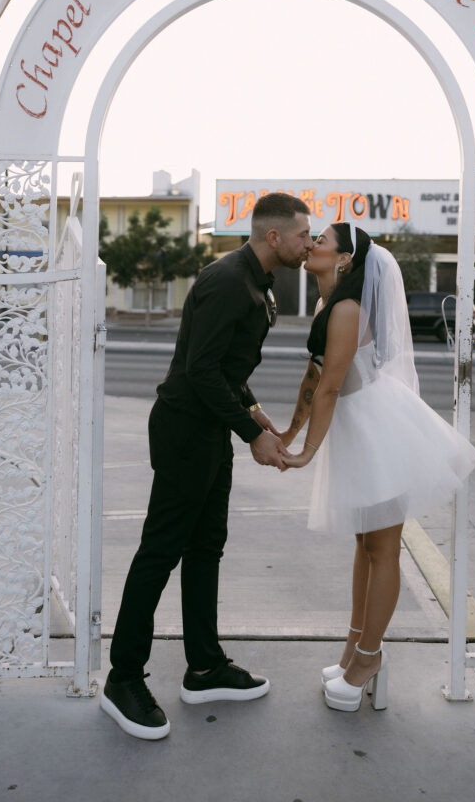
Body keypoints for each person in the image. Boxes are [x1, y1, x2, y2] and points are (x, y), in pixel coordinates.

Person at [101, 192, 313, 739]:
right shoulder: (225, 281)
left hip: (210, 430)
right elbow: (198, 370)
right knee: (159, 552)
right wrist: (251, 435)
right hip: (184, 433)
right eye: (300, 235)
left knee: (205, 548)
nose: (307, 243)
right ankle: (123, 679)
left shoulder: (258, 282)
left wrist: (250, 407)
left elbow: (223, 365)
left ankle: (204, 667)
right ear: (273, 237)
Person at [280, 223, 475, 712]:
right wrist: (289, 432)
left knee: (383, 546)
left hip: (379, 431)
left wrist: (307, 451)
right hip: (359, 431)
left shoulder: (347, 310)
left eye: (322, 240)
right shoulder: (329, 306)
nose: (311, 245)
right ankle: (355, 649)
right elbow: (314, 376)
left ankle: (368, 658)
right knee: (364, 542)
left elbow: (330, 388)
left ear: (345, 259)